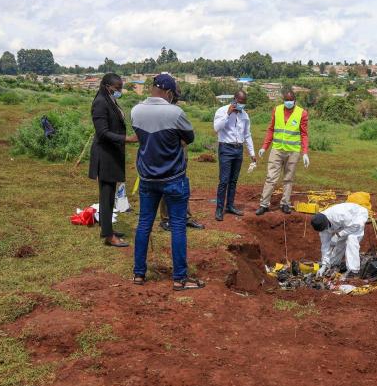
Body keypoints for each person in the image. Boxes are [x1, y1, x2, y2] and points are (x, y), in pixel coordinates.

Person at [131, 74, 204, 290]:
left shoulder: (136, 111)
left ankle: (138, 274)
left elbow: (141, 137)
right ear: (170, 93)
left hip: (146, 178)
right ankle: (180, 278)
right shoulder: (175, 112)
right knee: (178, 226)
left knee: (144, 224)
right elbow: (189, 138)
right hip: (173, 178)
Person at [88, 73, 138, 247]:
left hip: (112, 153)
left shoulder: (109, 99)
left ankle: (107, 227)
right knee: (107, 194)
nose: (120, 91)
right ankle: (109, 236)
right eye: (117, 88)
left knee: (109, 195)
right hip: (105, 154)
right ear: (107, 86)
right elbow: (102, 132)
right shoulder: (100, 103)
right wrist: (126, 139)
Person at [256, 90, 310, 215]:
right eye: (286, 100)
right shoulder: (277, 110)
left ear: (295, 101)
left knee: (288, 178)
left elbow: (304, 134)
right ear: (283, 100)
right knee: (271, 177)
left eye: (291, 100)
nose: (288, 102)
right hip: (277, 149)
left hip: (293, 151)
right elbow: (271, 129)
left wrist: (305, 152)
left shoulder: (302, 113)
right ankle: (264, 204)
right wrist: (264, 146)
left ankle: (285, 203)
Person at [213, 90, 256, 221]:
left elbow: (247, 134)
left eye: (244, 103)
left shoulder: (245, 115)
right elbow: (216, 128)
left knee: (233, 180)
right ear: (235, 99)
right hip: (226, 148)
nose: (242, 105)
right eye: (240, 102)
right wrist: (228, 113)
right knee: (224, 180)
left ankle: (230, 206)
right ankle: (219, 209)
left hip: (238, 149)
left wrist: (252, 153)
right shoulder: (222, 111)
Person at [310, 202, 369, 279]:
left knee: (351, 238)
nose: (325, 231)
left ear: (327, 221)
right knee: (339, 241)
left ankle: (353, 271)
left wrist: (338, 235)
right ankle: (334, 264)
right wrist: (324, 265)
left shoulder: (338, 215)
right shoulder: (321, 226)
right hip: (345, 224)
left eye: (325, 228)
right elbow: (325, 246)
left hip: (357, 217)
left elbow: (355, 226)